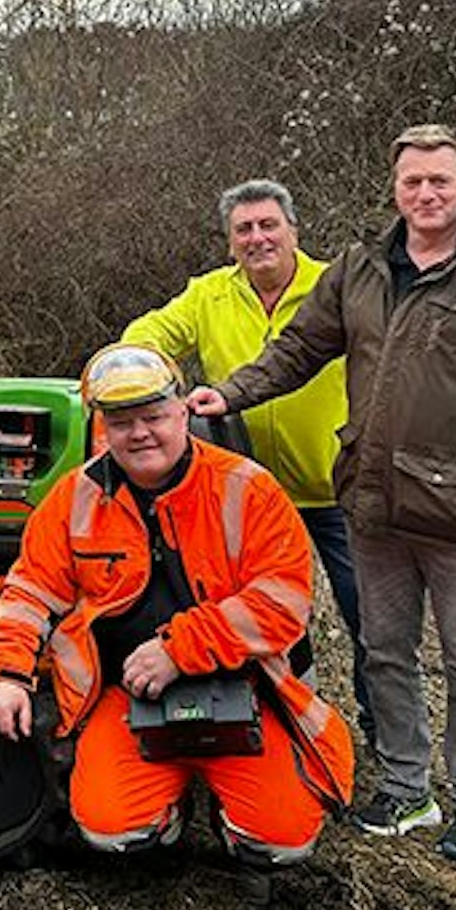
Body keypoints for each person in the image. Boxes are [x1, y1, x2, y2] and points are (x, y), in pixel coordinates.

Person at [187, 125, 456, 863]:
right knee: (385, 652)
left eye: (439, 180)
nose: (425, 194)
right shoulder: (361, 268)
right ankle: (404, 788)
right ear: (395, 189)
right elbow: (299, 348)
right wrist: (229, 394)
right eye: (412, 182)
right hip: (374, 505)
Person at [0, 343, 354, 882]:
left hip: (244, 689)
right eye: (121, 422)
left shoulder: (249, 489)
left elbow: (282, 602)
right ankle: (166, 815)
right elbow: (30, 590)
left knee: (281, 839)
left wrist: (178, 650)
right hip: (125, 695)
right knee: (110, 829)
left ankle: (230, 818)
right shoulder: (72, 499)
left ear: (182, 411)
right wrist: (8, 673)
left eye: (154, 417)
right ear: (103, 428)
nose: (140, 434)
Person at [122, 179, 372, 746]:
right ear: (230, 241)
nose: (257, 238)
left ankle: (379, 732)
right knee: (259, 617)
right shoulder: (208, 295)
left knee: (369, 618)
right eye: (244, 229)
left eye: (268, 225)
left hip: (337, 489)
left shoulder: (335, 287)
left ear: (293, 231)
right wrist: (148, 378)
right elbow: (148, 334)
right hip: (245, 500)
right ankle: (280, 724)